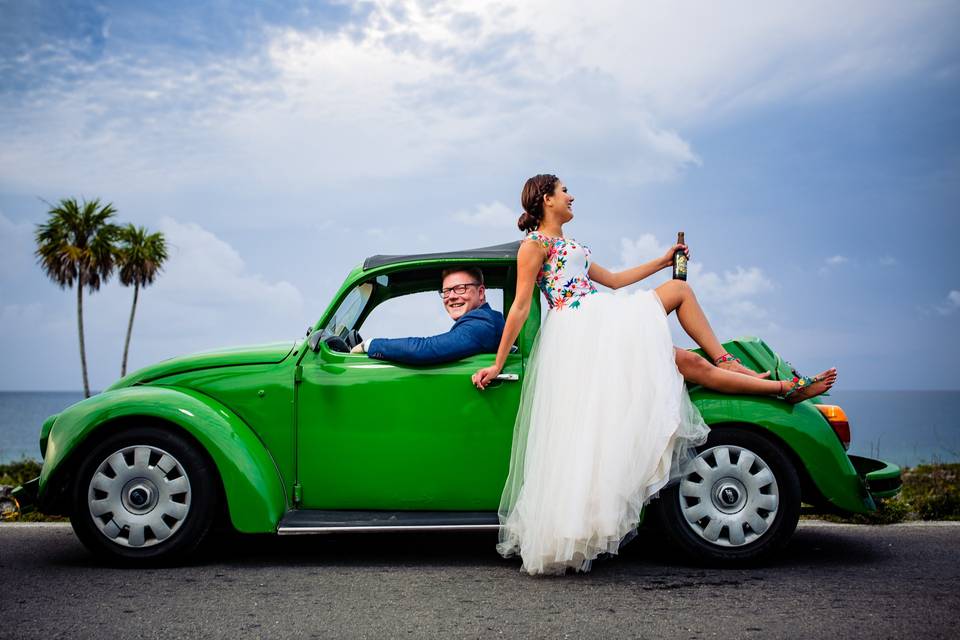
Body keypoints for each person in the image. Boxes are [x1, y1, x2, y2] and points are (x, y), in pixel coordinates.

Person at [471, 174, 837, 576]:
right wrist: (499, 363)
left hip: (600, 316)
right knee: (679, 293)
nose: (571, 196)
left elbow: (612, 281)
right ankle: (741, 367)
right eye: (564, 191)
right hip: (581, 328)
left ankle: (781, 388)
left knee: (686, 360)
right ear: (545, 199)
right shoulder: (534, 246)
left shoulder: (572, 244)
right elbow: (521, 307)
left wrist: (662, 262)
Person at [351, 266, 505, 365]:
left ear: (480, 292)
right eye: (446, 291)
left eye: (460, 288)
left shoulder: (483, 322)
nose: (451, 296)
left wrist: (369, 345)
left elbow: (427, 349)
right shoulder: (482, 320)